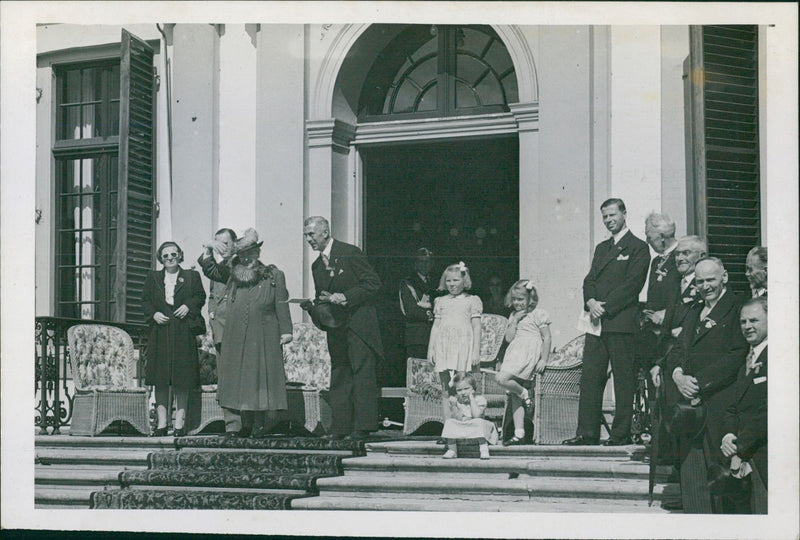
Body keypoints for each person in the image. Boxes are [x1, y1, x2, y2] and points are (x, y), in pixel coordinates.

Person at [663, 257, 749, 513]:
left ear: (724, 277)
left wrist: (699, 381)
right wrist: (678, 374)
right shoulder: (693, 311)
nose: (705, 285)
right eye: (699, 281)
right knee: (692, 475)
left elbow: (737, 353)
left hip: (721, 403)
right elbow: (678, 348)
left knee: (721, 476)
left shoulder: (737, 307)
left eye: (710, 279)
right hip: (690, 408)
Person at [564, 198, 649, 446]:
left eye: (613, 215)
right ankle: (586, 433)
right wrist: (590, 301)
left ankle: (620, 434)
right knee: (590, 377)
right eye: (605, 217)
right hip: (596, 323)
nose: (609, 220)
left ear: (624, 214)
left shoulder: (638, 247)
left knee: (623, 379)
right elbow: (589, 279)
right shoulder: (602, 248)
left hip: (620, 322)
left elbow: (632, 285)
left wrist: (605, 306)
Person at [302, 216, 383, 440]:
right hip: (336, 326)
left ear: (325, 232)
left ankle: (362, 427)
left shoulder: (349, 252)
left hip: (359, 325)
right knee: (339, 374)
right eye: (306, 235)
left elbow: (373, 283)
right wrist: (314, 307)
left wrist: (346, 296)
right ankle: (340, 427)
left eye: (311, 234)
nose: (308, 239)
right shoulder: (317, 266)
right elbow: (324, 297)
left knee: (362, 374)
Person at [212, 228, 293, 438]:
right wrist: (211, 249)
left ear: (258, 253)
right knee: (239, 378)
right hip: (235, 334)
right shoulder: (233, 275)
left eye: (251, 252)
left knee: (259, 377)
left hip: (263, 333)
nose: (247, 258)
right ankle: (241, 425)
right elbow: (211, 269)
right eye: (243, 254)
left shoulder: (274, 274)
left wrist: (286, 330)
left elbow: (281, 303)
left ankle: (260, 424)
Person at [142, 241, 207, 437]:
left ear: (180, 255)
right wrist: (153, 314)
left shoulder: (191, 276)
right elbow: (145, 300)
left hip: (182, 329)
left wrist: (188, 306)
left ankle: (179, 423)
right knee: (161, 378)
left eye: (173, 254)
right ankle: (162, 424)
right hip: (160, 331)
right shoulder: (153, 277)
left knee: (182, 377)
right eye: (165, 256)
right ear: (160, 259)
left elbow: (200, 297)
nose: (170, 258)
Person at [719, 297, 768, 514]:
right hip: (741, 458)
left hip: (764, 457)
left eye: (754, 321)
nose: (747, 326)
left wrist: (739, 447)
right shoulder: (745, 361)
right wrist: (728, 436)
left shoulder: (780, 357)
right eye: (743, 322)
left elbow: (769, 412)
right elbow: (733, 406)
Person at [495, 280, 551, 446]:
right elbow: (509, 338)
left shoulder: (538, 314)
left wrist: (544, 359)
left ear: (530, 299)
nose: (517, 303)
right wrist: (513, 322)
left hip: (528, 352)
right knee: (513, 393)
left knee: (502, 379)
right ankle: (519, 433)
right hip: (514, 352)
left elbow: (546, 337)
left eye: (521, 299)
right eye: (515, 300)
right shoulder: (513, 316)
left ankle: (524, 393)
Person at [197, 228, 241, 436]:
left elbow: (211, 271)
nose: (220, 247)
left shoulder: (238, 264)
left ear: (234, 244)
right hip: (220, 328)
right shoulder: (223, 264)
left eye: (225, 243)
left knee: (237, 375)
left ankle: (240, 423)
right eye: (217, 242)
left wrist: (208, 249)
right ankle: (232, 423)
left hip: (233, 326)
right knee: (225, 376)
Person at [427, 262, 483, 399]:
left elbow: (476, 326)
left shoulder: (472, 300)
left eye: (456, 280)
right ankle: (448, 418)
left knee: (462, 380)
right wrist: (431, 349)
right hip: (443, 344)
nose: (452, 284)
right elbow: (435, 327)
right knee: (445, 385)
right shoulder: (441, 301)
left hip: (462, 344)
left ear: (464, 281)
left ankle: (464, 416)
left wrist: (476, 351)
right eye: (448, 281)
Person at [638, 212, 680, 375]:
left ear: (662, 236)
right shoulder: (656, 261)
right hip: (653, 333)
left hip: (672, 332)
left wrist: (668, 313)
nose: (647, 241)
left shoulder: (682, 257)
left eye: (650, 236)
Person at [441, 372, 498, 460]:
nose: (463, 393)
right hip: (465, 426)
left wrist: (471, 399)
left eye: (466, 389)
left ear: (473, 389)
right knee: (449, 422)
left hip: (478, 426)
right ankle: (452, 450)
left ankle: (483, 448)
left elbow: (476, 415)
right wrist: (454, 406)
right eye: (459, 390)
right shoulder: (457, 402)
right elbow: (458, 418)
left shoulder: (479, 399)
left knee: (478, 422)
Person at [398, 247, 435, 359]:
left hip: (435, 335)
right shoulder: (408, 283)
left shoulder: (436, 282)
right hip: (417, 336)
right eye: (421, 261)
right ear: (415, 264)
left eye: (428, 262)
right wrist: (432, 314)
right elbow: (411, 311)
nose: (425, 265)